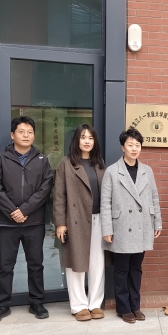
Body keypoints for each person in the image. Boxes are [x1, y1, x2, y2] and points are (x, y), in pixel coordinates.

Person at [0, 116, 53, 323]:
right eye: (21, 131)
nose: (26, 135)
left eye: (30, 132)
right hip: (6, 222)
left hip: (34, 221)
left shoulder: (42, 160)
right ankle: (2, 305)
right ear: (12, 135)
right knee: (5, 265)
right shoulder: (0, 159)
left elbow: (45, 188)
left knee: (36, 264)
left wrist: (24, 210)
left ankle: (37, 302)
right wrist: (13, 211)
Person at [101, 128, 162, 324]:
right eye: (130, 145)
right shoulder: (112, 171)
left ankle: (135, 305)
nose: (134, 148)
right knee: (121, 269)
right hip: (121, 226)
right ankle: (123, 308)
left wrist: (157, 222)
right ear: (123, 147)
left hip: (142, 224)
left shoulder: (147, 170)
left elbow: (154, 198)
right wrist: (107, 229)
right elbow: (105, 202)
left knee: (136, 268)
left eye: (137, 145)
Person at [53, 124, 108, 321]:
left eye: (90, 138)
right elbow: (59, 195)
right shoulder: (66, 163)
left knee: (97, 263)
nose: (87, 141)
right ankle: (78, 306)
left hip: (98, 218)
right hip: (75, 219)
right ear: (76, 140)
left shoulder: (99, 163)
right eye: (83, 137)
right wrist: (60, 222)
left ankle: (95, 304)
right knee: (76, 262)